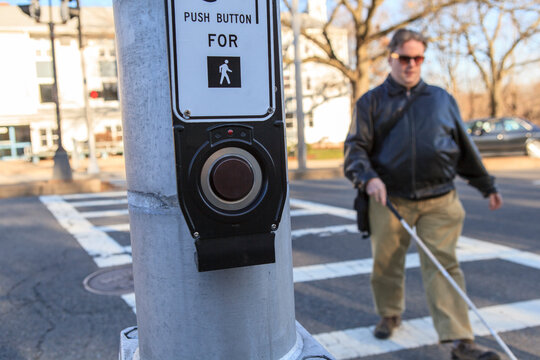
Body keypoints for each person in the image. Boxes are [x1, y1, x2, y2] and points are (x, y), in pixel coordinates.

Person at [344, 29, 504, 360]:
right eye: (405, 58)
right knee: (386, 263)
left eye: (418, 58)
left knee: (443, 265)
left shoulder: (442, 99)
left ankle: (460, 340)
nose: (412, 65)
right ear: (391, 58)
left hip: (440, 199)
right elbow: (355, 149)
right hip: (389, 199)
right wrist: (369, 178)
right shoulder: (371, 102)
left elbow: (464, 148)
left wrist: (487, 185)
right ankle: (389, 313)